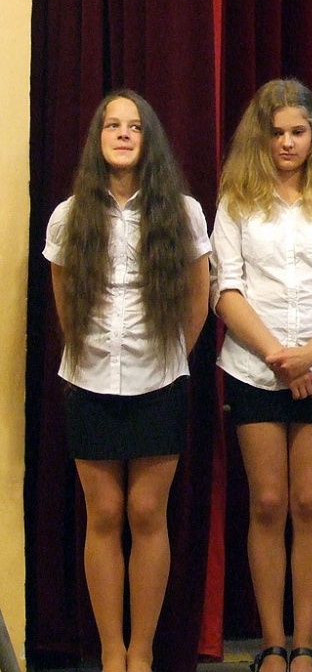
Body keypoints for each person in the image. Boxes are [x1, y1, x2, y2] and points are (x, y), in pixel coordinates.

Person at [44, 90, 211, 672]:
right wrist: (91, 354)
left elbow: (198, 296)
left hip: (159, 379)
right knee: (104, 515)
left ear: (148, 139)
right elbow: (65, 300)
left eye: (134, 126)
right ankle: (112, 653)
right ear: (98, 138)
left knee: (145, 513)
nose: (122, 134)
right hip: (89, 379)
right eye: (112, 125)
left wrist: (170, 359)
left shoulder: (182, 211)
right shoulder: (69, 215)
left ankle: (141, 653)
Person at [211, 78, 312, 672]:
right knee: (269, 501)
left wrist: (311, 354)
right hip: (254, 367)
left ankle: (304, 643)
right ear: (261, 137)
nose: (286, 142)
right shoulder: (237, 199)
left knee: (307, 500)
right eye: (276, 133)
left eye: (297, 132)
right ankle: (272, 643)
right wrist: (281, 355)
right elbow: (225, 290)